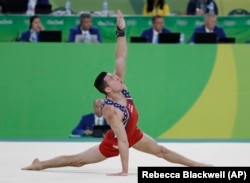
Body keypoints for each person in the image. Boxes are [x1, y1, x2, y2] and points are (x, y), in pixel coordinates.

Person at [22, 10, 209, 176]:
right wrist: (125, 170)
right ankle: (41, 164)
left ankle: (196, 165)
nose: (116, 76)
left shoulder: (122, 88)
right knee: (77, 161)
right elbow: (123, 141)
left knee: (161, 151)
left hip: (134, 133)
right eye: (111, 78)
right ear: (108, 90)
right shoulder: (110, 110)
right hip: (115, 141)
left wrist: (121, 32)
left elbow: (120, 56)